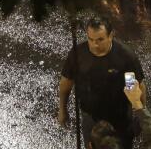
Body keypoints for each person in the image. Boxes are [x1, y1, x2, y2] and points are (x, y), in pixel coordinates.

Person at [59, 17, 145, 149]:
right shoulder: (78, 54)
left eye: (100, 39)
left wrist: (141, 115)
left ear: (111, 36)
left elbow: (136, 86)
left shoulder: (125, 57)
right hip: (91, 117)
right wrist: (62, 109)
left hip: (120, 118)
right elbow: (66, 82)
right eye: (91, 39)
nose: (94, 44)